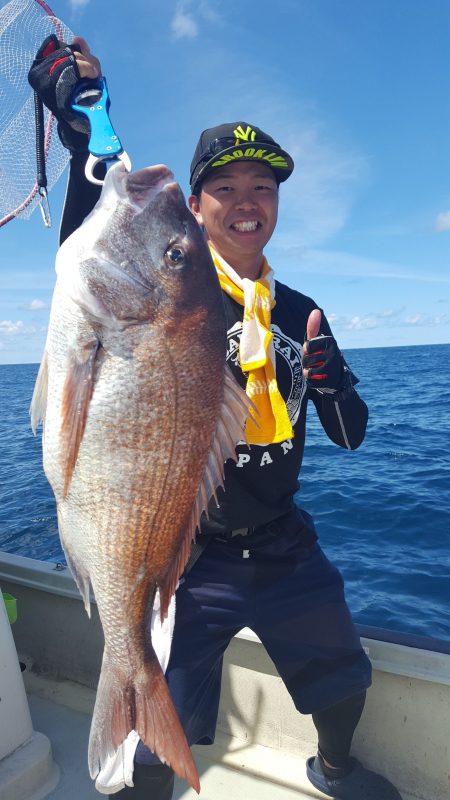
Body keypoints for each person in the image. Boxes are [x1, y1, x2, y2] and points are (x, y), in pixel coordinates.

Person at [28, 37, 403, 800]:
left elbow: (352, 432)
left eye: (261, 187)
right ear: (196, 209)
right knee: (149, 747)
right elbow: (98, 229)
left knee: (343, 684)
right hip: (187, 558)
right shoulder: (183, 294)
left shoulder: (300, 313)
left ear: (275, 206)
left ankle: (332, 767)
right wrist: (80, 130)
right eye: (223, 187)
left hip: (286, 546)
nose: (245, 201)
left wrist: (331, 385)